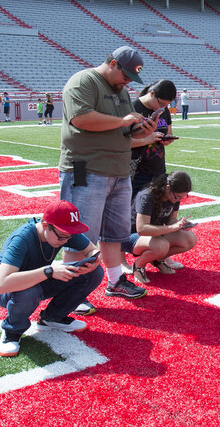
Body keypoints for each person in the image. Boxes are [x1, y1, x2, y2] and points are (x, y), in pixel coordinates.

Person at [59, 46, 156, 313]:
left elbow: (122, 129)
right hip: (83, 167)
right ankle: (71, 290)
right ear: (112, 64)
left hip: (118, 169)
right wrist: (123, 120)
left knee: (114, 234)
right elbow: (81, 119)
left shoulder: (121, 90)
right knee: (79, 233)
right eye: (125, 75)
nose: (127, 82)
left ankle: (115, 281)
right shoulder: (84, 80)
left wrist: (138, 129)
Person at [0, 200, 103, 356]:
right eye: (62, 236)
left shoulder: (63, 233)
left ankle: (53, 318)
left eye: (69, 236)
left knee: (95, 273)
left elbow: (92, 251)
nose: (66, 240)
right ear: (45, 226)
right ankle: (12, 330)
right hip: (6, 288)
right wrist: (48, 271)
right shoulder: (22, 239)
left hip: (38, 279)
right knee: (28, 291)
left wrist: (94, 261)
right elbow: (2, 285)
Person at [125, 171, 197, 284]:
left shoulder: (173, 197)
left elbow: (171, 220)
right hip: (131, 236)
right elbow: (142, 229)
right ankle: (138, 265)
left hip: (154, 235)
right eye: (178, 196)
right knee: (161, 245)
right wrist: (172, 228)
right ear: (168, 188)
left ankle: (157, 260)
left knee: (190, 239)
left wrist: (181, 224)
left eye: (183, 197)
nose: (180, 199)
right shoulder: (147, 196)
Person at [131, 79, 177, 200]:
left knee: (156, 210)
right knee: (135, 211)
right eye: (161, 104)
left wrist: (166, 139)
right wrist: (147, 139)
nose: (163, 108)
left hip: (158, 169)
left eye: (166, 105)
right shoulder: (133, 108)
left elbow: (168, 131)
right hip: (137, 170)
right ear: (152, 93)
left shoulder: (163, 109)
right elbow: (121, 141)